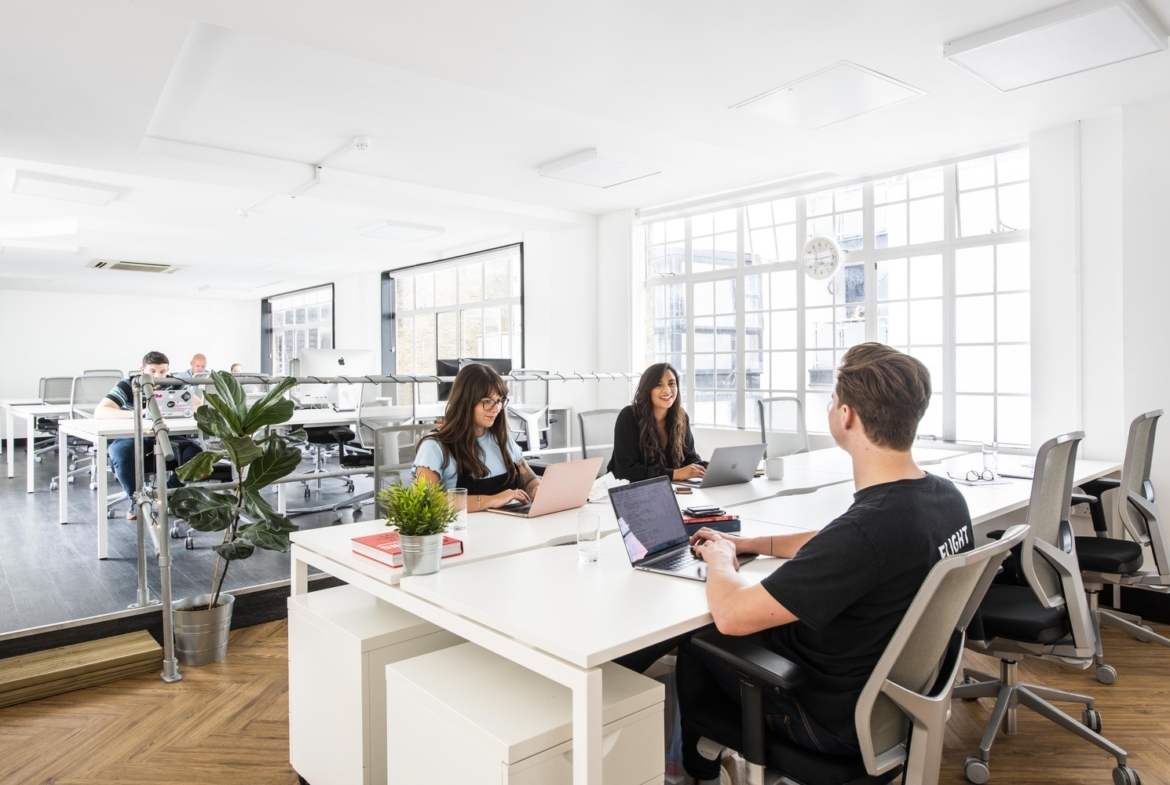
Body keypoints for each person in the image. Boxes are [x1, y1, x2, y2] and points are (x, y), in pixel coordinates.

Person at [678, 343, 974, 782]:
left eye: (832, 400)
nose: (831, 407)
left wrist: (720, 557)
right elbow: (837, 543)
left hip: (828, 721)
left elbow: (732, 615)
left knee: (693, 645)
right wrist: (749, 543)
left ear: (848, 416)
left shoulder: (869, 531)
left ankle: (697, 769)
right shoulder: (944, 500)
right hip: (894, 702)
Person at [413, 363, 541, 511]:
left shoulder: (502, 440)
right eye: (487, 401)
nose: (496, 408)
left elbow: (530, 480)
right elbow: (426, 501)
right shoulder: (434, 446)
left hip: (510, 529)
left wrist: (537, 490)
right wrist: (493, 500)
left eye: (499, 400)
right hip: (465, 531)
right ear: (465, 402)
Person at [94, 351, 203, 520]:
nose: (157, 376)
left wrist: (177, 411)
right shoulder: (128, 385)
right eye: (152, 371)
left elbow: (197, 405)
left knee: (195, 453)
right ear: (142, 369)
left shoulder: (174, 383)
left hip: (165, 435)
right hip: (132, 435)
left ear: (168, 370)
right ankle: (136, 500)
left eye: (162, 371)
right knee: (121, 453)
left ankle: (167, 492)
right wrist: (138, 413)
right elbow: (101, 411)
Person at [608, 362, 706, 482]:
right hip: (627, 491)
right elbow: (625, 470)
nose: (667, 390)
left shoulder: (681, 417)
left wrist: (706, 469)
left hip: (668, 488)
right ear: (648, 389)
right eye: (659, 385)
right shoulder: (629, 416)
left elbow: (690, 458)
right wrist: (674, 474)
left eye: (672, 384)